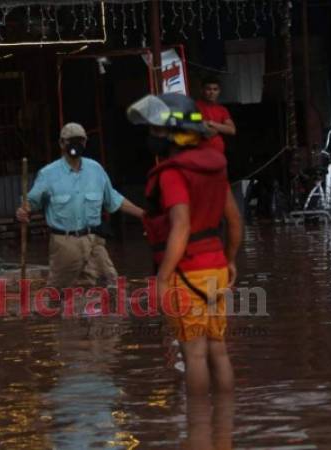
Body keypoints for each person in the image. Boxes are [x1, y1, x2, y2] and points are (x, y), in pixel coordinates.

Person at [127, 93, 243, 396]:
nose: (151, 137)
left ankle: (199, 429)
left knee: (193, 355)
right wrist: (229, 260)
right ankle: (225, 432)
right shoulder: (216, 167)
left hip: (186, 271)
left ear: (173, 133)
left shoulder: (173, 174)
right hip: (217, 268)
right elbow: (234, 221)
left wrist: (162, 278)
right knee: (218, 351)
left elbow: (181, 226)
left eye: (156, 130)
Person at [16, 123, 144, 289]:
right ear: (62, 144)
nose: (75, 145)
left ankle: (107, 313)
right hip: (65, 244)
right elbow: (31, 202)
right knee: (59, 291)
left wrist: (143, 214)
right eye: (70, 141)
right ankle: (54, 312)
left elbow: (114, 199)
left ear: (85, 143)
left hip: (94, 241)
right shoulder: (48, 174)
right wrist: (23, 211)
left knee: (111, 285)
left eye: (80, 140)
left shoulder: (95, 170)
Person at [196, 76, 236, 153]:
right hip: (200, 153)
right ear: (202, 90)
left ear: (219, 91)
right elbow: (206, 133)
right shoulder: (194, 106)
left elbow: (232, 130)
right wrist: (221, 128)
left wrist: (211, 123)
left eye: (215, 89)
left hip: (219, 153)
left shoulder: (222, 109)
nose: (212, 92)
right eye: (208, 89)